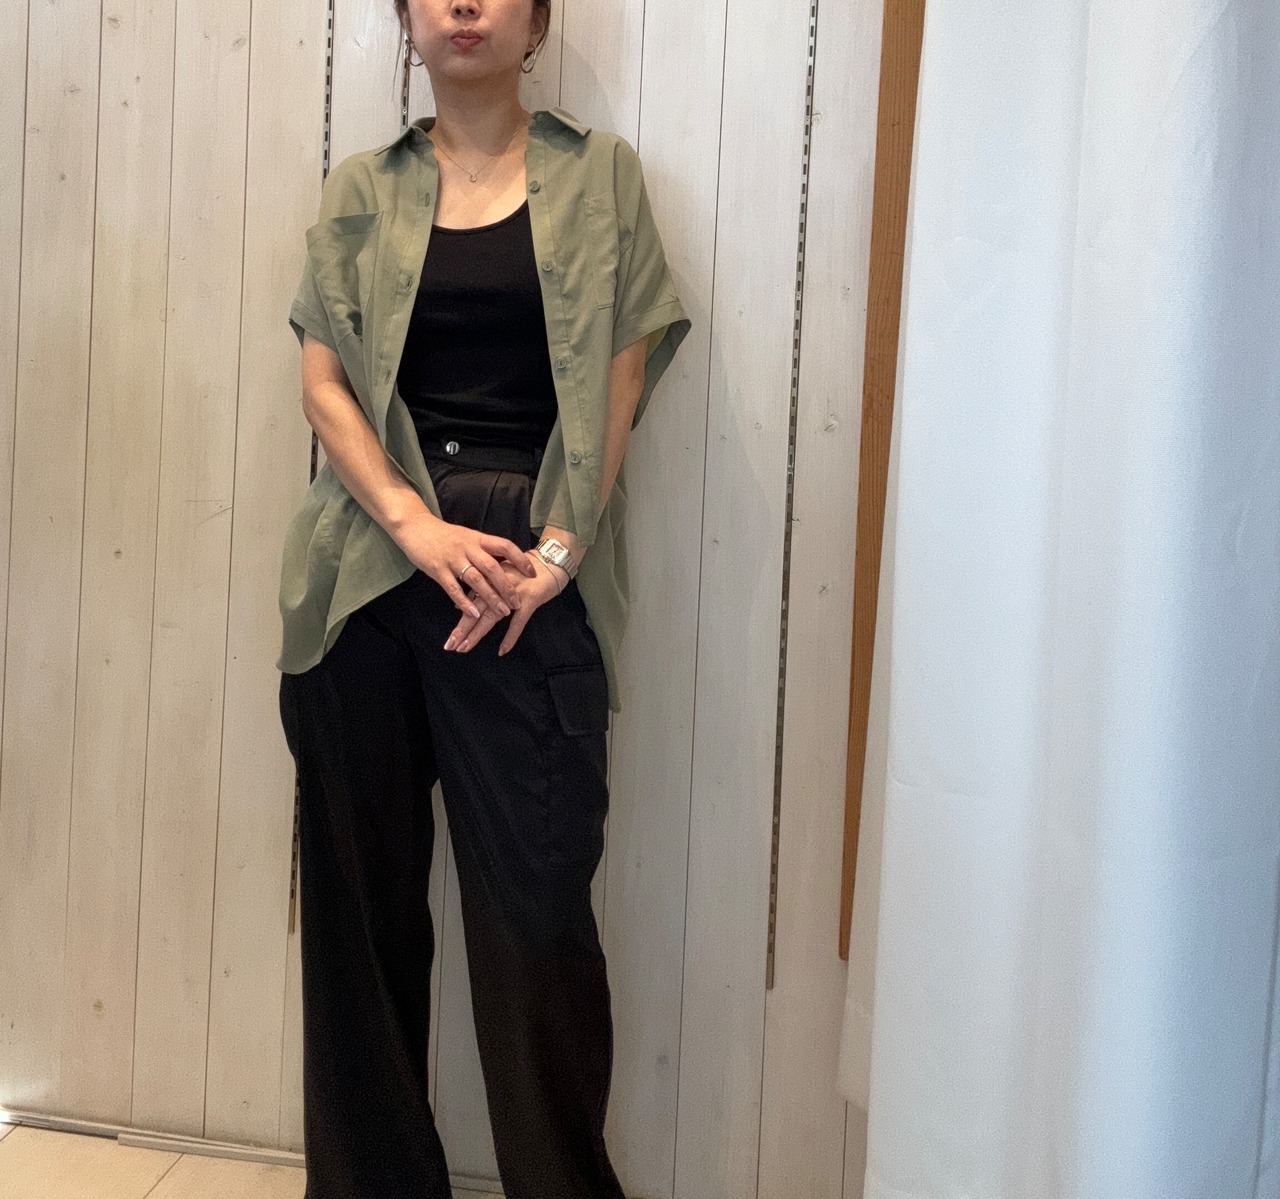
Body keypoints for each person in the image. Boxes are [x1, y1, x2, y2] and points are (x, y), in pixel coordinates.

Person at [274, 1, 691, 1196]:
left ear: (536, 24)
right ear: (408, 21)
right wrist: (411, 525)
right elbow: (322, 383)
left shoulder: (601, 178)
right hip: (369, 570)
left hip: (521, 579)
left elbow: (623, 370)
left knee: (536, 917)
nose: (465, 5)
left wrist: (558, 550)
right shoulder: (361, 190)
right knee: (359, 922)